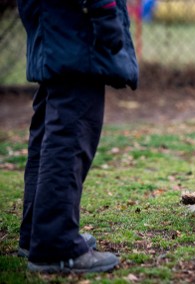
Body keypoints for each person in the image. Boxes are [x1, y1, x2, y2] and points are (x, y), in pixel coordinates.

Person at [16, 0, 138, 273]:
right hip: (75, 21)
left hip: (50, 16)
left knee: (50, 124)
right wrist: (105, 12)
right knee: (71, 130)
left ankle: (37, 235)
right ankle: (55, 246)